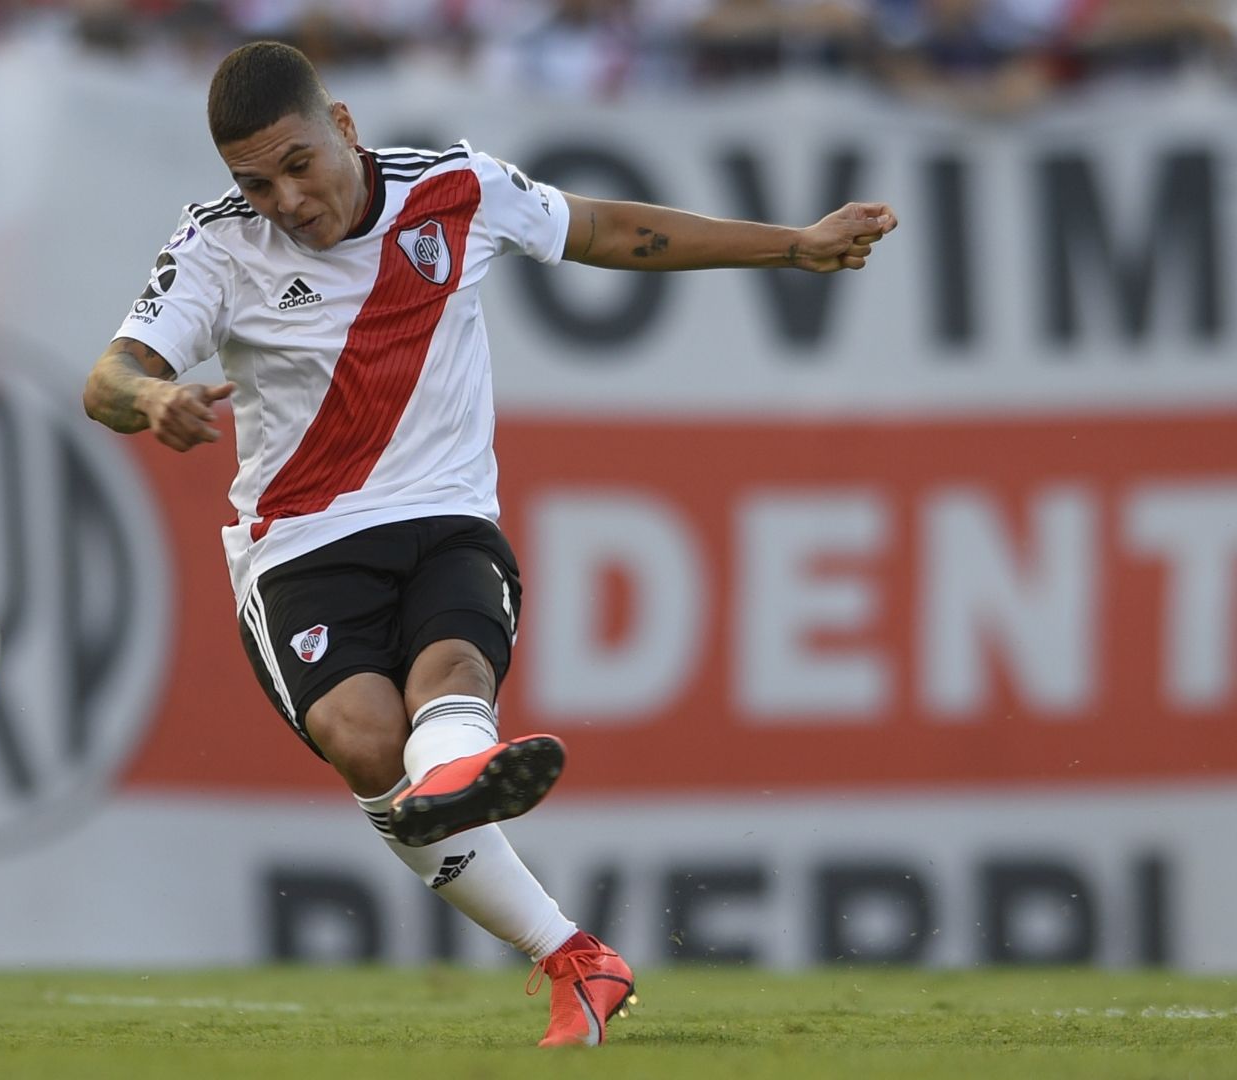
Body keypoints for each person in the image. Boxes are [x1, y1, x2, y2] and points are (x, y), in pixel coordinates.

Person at [81, 40, 895, 1048]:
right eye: (256, 182)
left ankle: (474, 801)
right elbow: (109, 376)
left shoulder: (458, 190)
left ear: (344, 127)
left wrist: (793, 246)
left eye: (298, 164)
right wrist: (152, 398)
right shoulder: (217, 245)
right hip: (300, 544)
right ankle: (558, 930)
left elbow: (603, 228)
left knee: (455, 672)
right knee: (363, 738)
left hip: (447, 516)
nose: (285, 200)